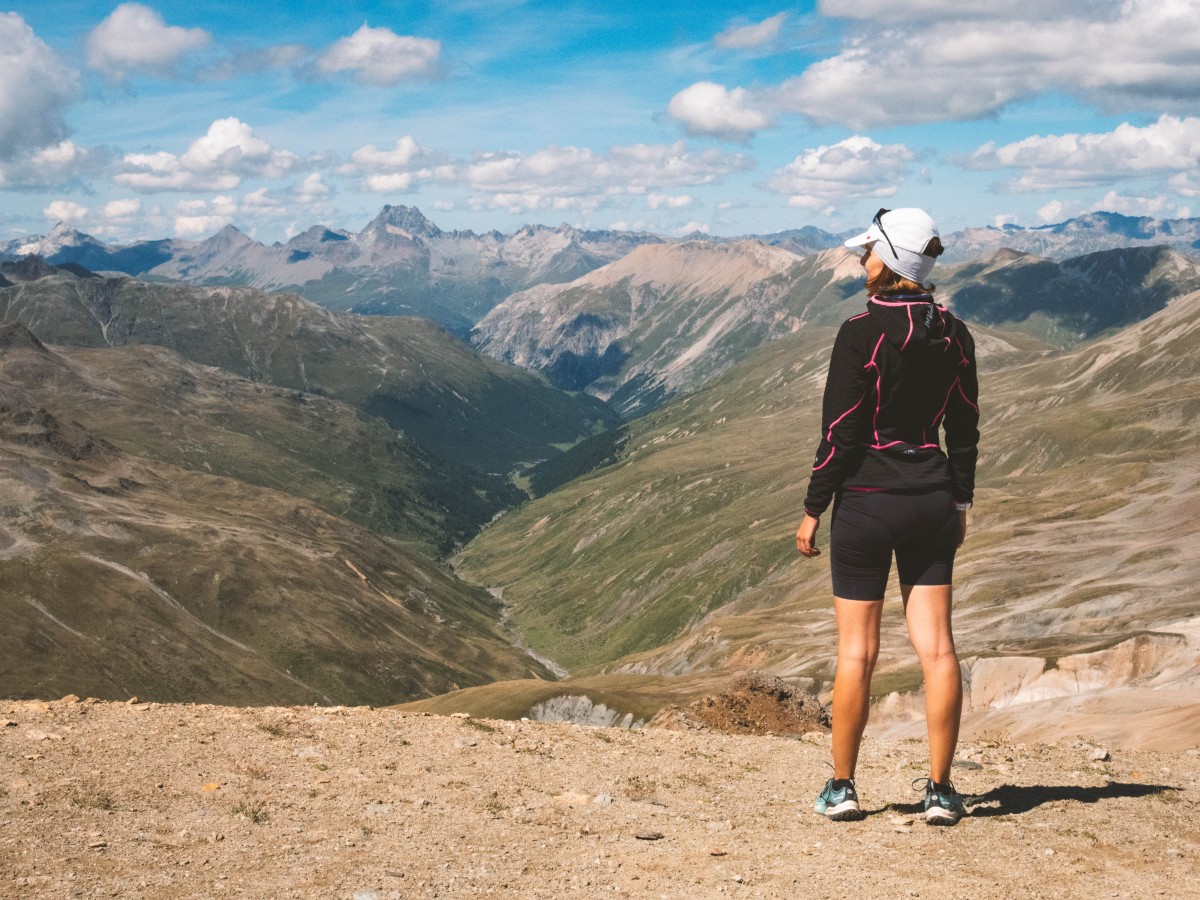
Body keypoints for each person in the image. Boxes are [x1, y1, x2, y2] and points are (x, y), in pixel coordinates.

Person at [795, 208, 979, 826]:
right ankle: (940, 791)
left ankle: (843, 787)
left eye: (869, 250)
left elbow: (840, 433)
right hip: (931, 498)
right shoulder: (955, 334)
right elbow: (965, 427)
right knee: (938, 650)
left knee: (857, 655)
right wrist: (959, 501)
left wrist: (814, 507)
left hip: (867, 504)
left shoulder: (859, 332)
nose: (862, 259)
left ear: (889, 261)